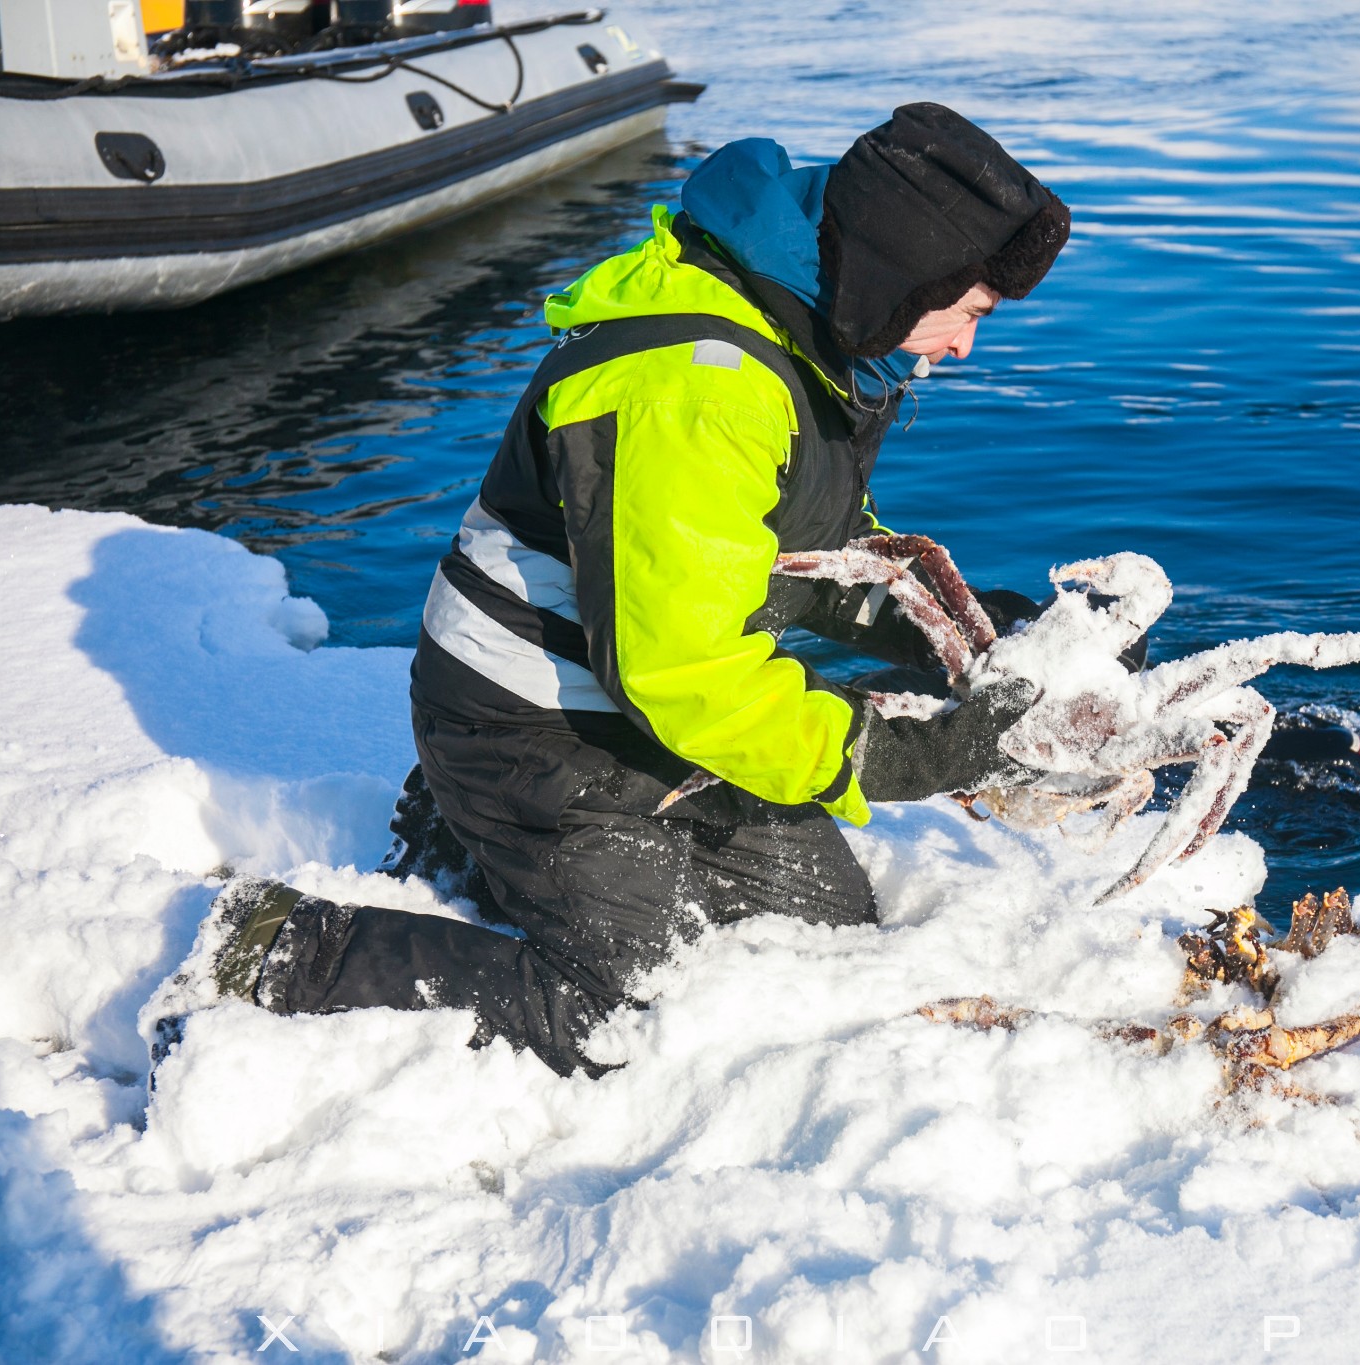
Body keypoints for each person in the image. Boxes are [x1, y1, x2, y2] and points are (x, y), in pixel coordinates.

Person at [174, 104, 1073, 1077]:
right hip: (530, 723)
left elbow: (795, 555)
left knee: (824, 932)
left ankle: (471, 841)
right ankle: (288, 949)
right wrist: (901, 753)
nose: (964, 348)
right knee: (641, 1012)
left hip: (634, 704)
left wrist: (983, 631)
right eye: (971, 312)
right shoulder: (699, 382)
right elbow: (683, 669)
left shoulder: (808, 331)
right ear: (909, 272)